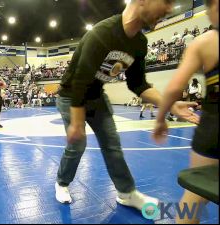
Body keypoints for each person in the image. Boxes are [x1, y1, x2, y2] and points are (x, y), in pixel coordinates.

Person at [54, 0, 199, 215]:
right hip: (70, 96)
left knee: (112, 144)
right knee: (78, 145)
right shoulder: (101, 34)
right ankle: (62, 182)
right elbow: (79, 82)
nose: (169, 8)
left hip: (96, 98)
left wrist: (169, 105)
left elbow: (138, 84)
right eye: (166, 1)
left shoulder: (139, 43)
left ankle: (126, 193)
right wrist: (77, 123)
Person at [152, 1, 219, 224]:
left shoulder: (206, 42)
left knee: (194, 196)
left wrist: (161, 119)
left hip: (213, 131)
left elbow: (173, 88)